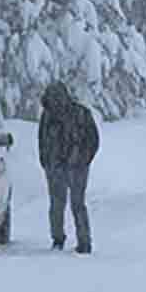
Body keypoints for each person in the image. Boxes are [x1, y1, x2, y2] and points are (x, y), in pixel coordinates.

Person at [38, 81, 100, 254]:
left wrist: (82, 160)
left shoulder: (73, 114)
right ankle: (79, 241)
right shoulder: (76, 113)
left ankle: (62, 240)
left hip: (70, 166)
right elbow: (42, 140)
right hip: (65, 166)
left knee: (63, 204)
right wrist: (46, 161)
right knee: (72, 204)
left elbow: (92, 140)